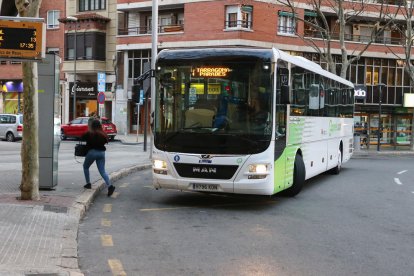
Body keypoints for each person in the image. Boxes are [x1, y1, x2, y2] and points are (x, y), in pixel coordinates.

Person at [81, 119, 115, 197]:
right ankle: (110, 186)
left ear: (92, 126)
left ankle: (88, 184)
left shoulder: (90, 133)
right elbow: (107, 141)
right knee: (102, 171)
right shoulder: (103, 134)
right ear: (100, 126)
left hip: (92, 152)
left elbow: (82, 137)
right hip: (101, 153)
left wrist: (88, 128)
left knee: (85, 167)